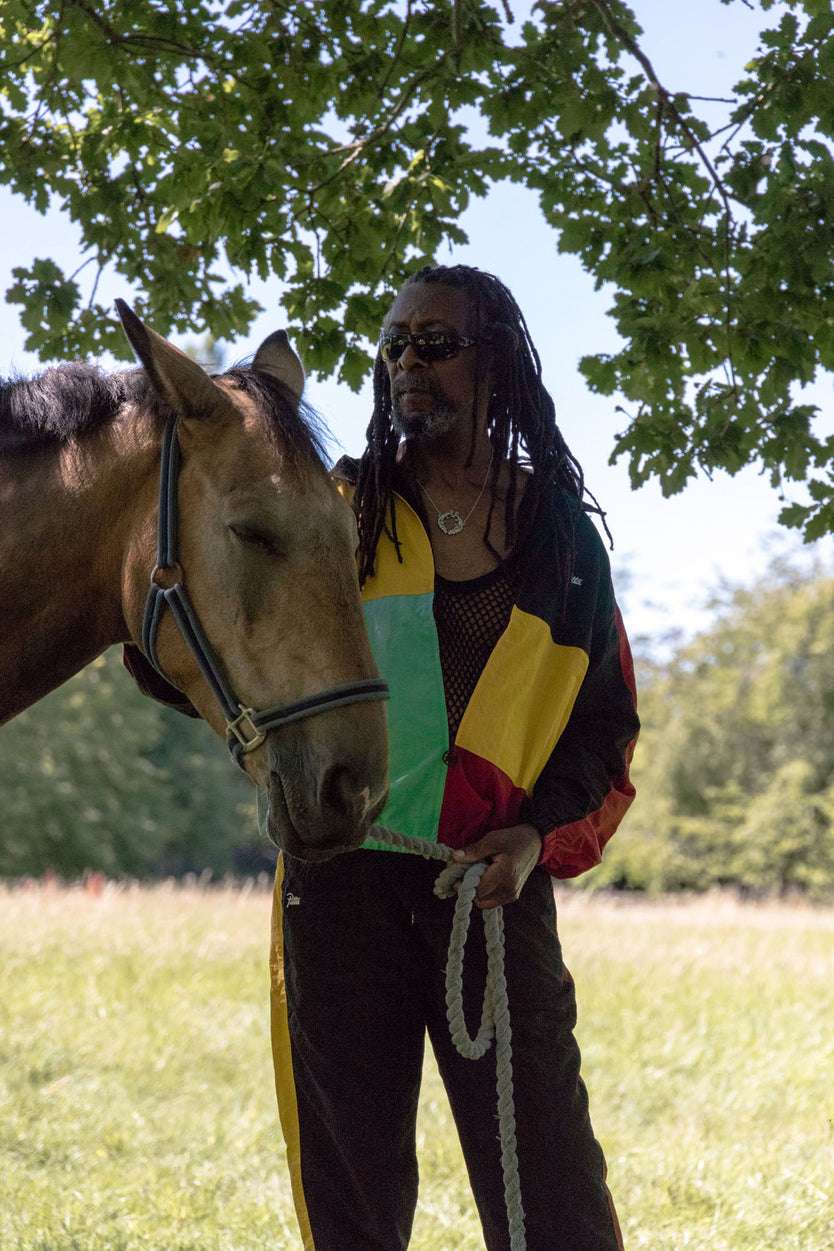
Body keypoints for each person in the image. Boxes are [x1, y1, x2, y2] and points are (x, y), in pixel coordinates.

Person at [269, 264, 639, 1251]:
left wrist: (533, 837)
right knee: (352, 1186)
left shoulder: (563, 541)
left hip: (492, 888)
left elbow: (605, 731)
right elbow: (252, 654)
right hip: (340, 883)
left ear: (498, 364)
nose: (406, 362)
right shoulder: (338, 511)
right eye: (393, 344)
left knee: (549, 1179)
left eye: (434, 343)